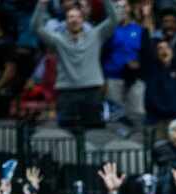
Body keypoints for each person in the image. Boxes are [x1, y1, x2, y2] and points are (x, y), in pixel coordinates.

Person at [31, 0, 118, 129]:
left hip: (92, 92)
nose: (74, 20)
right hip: (67, 93)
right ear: (66, 21)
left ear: (83, 20)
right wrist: (42, 4)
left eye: (78, 17)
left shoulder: (96, 34)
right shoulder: (58, 39)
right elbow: (36, 28)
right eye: (70, 17)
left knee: (94, 130)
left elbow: (113, 19)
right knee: (67, 132)